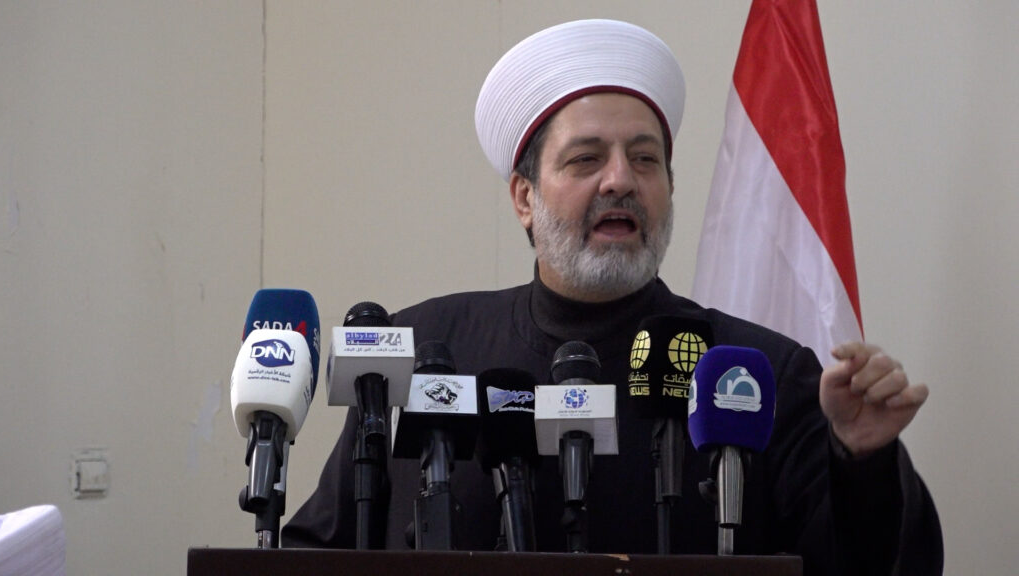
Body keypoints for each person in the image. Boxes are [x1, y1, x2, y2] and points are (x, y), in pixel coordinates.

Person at [282, 19, 942, 575]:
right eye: (586, 159)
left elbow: (871, 565)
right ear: (524, 198)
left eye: (645, 159)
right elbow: (320, 549)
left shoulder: (757, 370)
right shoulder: (426, 350)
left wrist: (861, 460)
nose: (621, 180)